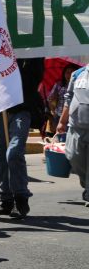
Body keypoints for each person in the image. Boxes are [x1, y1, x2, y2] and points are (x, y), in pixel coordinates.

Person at [0, 58, 44, 219]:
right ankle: (6, 200)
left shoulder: (32, 56)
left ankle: (21, 198)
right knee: (1, 156)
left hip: (21, 109)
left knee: (13, 153)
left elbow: (35, 79)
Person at [57, 66, 89, 206]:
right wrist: (62, 121)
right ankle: (85, 181)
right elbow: (68, 97)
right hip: (76, 126)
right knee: (73, 157)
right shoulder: (77, 74)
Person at [49, 64, 79, 129]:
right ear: (64, 74)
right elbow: (50, 99)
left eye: (72, 72)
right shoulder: (58, 85)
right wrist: (53, 111)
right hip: (59, 115)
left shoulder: (78, 86)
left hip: (73, 117)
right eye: (67, 72)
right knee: (59, 136)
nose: (69, 75)